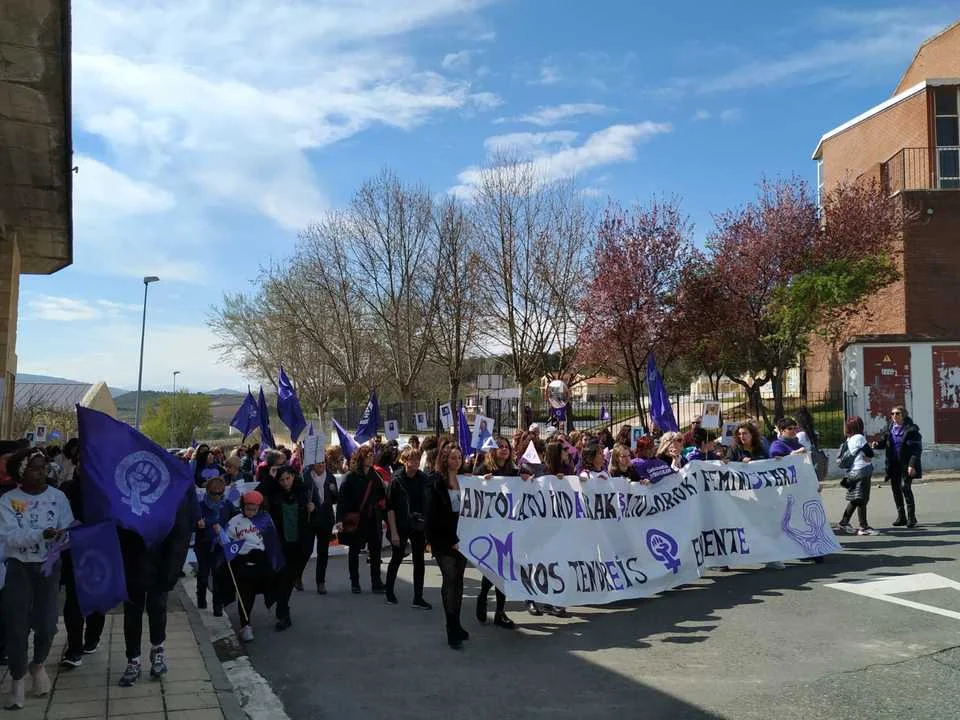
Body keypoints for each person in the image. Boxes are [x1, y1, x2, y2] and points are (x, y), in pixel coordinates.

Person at [0, 449, 74, 709]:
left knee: (47, 624)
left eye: (43, 467)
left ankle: (38, 664)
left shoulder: (58, 497)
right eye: (34, 468)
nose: (41, 472)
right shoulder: (8, 500)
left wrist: (64, 535)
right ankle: (18, 679)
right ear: (21, 472)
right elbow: (9, 537)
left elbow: (68, 528)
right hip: (18, 568)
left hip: (48, 568)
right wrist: (41, 534)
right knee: (17, 626)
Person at [117, 488, 193, 687]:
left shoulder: (169, 493)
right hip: (131, 563)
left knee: (157, 608)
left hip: (160, 564)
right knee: (132, 614)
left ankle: (158, 649)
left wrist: (172, 569)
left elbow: (180, 532)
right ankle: (133, 659)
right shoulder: (124, 491)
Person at [59, 465, 106, 668]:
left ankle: (92, 638)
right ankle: (74, 649)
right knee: (73, 600)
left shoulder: (105, 488)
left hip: (100, 551)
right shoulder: (67, 489)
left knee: (97, 597)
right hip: (72, 550)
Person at [426, 446, 469, 649]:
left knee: (458, 581)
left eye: (459, 457)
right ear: (445, 459)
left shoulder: (466, 480)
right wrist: (450, 538)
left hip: (463, 539)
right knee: (450, 580)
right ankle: (451, 627)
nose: (457, 460)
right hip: (443, 539)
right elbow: (433, 515)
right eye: (453, 457)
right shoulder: (435, 482)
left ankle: (457, 623)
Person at [260, 465, 312, 631]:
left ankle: (281, 606)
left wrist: (313, 508)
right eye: (281, 480)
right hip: (281, 544)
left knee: (288, 579)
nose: (285, 483)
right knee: (284, 579)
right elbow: (257, 493)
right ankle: (283, 613)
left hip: (300, 544)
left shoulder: (304, 492)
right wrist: (270, 477)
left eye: (288, 478)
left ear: (293, 476)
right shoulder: (274, 494)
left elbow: (316, 512)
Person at [225, 490, 280, 643]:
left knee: (273, 587)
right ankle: (245, 626)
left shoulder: (265, 519)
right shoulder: (235, 521)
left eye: (254, 509)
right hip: (244, 564)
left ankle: (278, 611)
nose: (251, 512)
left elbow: (272, 539)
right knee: (246, 596)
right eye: (248, 509)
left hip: (262, 562)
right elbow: (227, 541)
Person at [474, 438, 517, 629]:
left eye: (507, 447)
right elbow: (472, 487)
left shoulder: (513, 471)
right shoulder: (483, 469)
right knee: (493, 568)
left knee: (504, 569)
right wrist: (481, 482)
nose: (504, 450)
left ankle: (500, 612)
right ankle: (483, 596)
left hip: (507, 527)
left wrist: (527, 478)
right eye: (500, 447)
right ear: (493, 450)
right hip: (489, 527)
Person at [384, 447, 432, 609]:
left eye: (418, 459)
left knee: (419, 561)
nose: (416, 462)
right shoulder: (396, 479)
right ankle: (389, 591)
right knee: (397, 558)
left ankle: (418, 597)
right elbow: (390, 508)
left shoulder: (423, 478)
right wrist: (394, 532)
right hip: (401, 524)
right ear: (404, 461)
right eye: (412, 459)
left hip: (418, 525)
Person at [337, 445, 386, 594]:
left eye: (372, 455)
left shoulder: (375, 476)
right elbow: (342, 500)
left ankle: (376, 582)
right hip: (357, 520)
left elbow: (382, 495)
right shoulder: (350, 477)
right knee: (354, 551)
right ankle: (355, 582)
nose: (371, 458)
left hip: (373, 519)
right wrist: (340, 520)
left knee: (376, 551)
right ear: (361, 458)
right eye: (368, 455)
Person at [872, 406, 923, 527]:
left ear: (903, 415)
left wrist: (912, 465)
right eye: (892, 413)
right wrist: (877, 444)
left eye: (897, 413)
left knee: (906, 488)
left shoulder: (911, 430)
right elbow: (884, 442)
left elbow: (916, 450)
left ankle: (912, 518)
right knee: (896, 489)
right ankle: (901, 517)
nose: (894, 416)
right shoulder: (890, 428)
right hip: (893, 463)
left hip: (906, 464)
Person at [195, 476, 235, 615]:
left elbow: (235, 519)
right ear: (207, 491)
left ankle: (217, 607)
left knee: (218, 576)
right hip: (204, 545)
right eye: (214, 493)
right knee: (203, 575)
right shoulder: (200, 505)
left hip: (220, 546)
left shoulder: (227, 504)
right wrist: (199, 524)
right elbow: (192, 523)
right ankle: (201, 599)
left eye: (220, 493)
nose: (217, 496)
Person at [300, 453, 339, 594]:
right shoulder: (305, 478)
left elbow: (335, 499)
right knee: (306, 550)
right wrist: (306, 505)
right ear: (312, 464)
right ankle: (297, 575)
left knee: (323, 552)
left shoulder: (330, 477)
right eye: (318, 462)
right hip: (310, 519)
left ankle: (320, 582)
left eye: (323, 462)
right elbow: (300, 496)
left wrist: (334, 492)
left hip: (326, 519)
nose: (321, 465)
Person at [837, 417, 876, 536]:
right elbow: (870, 453)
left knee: (855, 499)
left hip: (853, 472)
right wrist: (869, 454)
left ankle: (844, 522)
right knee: (862, 500)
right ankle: (863, 527)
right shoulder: (859, 437)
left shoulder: (849, 439)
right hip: (862, 471)